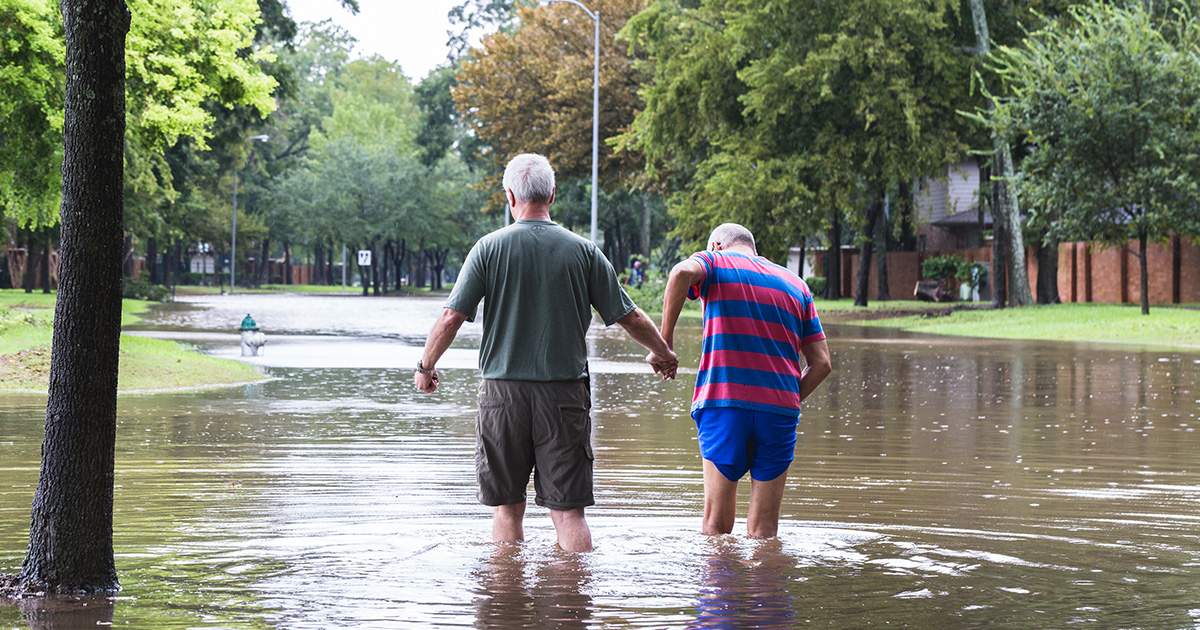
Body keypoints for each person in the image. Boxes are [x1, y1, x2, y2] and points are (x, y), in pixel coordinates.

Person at [414, 153, 678, 552]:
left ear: (509, 196)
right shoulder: (583, 251)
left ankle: (507, 603)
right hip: (564, 396)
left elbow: (452, 317)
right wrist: (663, 352)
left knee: (506, 508)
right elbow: (629, 316)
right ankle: (572, 607)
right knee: (569, 513)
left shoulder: (488, 249)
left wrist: (426, 366)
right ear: (552, 194)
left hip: (502, 396)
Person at [658, 223, 832, 538]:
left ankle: (721, 587)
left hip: (725, 404)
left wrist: (665, 345)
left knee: (716, 526)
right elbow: (821, 364)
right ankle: (765, 587)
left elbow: (681, 274)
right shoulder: (796, 284)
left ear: (715, 245)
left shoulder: (714, 262)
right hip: (779, 413)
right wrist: (785, 399)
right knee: (765, 530)